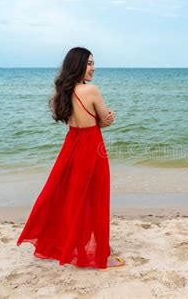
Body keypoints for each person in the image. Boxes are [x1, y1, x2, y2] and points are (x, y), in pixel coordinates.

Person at [16, 47, 125, 270]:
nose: (93, 68)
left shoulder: (65, 92)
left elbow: (73, 120)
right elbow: (103, 121)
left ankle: (70, 245)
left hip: (71, 145)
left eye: (93, 64)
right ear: (78, 65)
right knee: (97, 198)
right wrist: (109, 118)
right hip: (91, 147)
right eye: (89, 64)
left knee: (68, 196)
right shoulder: (91, 90)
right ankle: (101, 255)